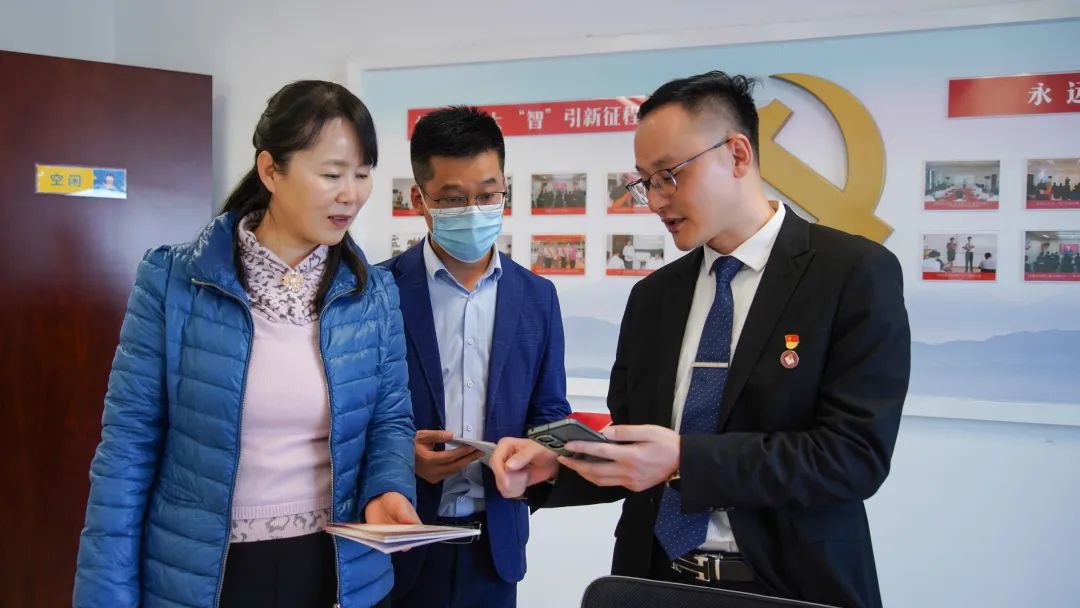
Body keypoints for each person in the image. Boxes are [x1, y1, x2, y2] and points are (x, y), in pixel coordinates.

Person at [491, 71, 910, 608]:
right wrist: (558, 467)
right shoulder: (654, 298)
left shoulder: (851, 273)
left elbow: (853, 456)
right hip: (654, 583)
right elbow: (635, 452)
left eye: (669, 175)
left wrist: (687, 460)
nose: (655, 200)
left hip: (791, 586)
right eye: (645, 182)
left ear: (737, 155)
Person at [73, 80, 418, 608]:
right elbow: (127, 447)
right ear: (270, 170)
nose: (351, 194)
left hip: (338, 570)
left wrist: (388, 489)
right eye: (332, 174)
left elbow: (390, 422)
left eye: (363, 173)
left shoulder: (374, 294)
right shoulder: (172, 281)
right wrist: (104, 597)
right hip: (206, 574)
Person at [381, 106, 571, 608]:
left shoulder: (537, 298)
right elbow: (347, 417)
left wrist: (539, 457)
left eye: (487, 195)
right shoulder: (377, 292)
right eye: (452, 199)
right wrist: (400, 460)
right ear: (419, 200)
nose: (473, 211)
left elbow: (550, 413)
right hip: (399, 543)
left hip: (494, 547)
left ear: (504, 188)